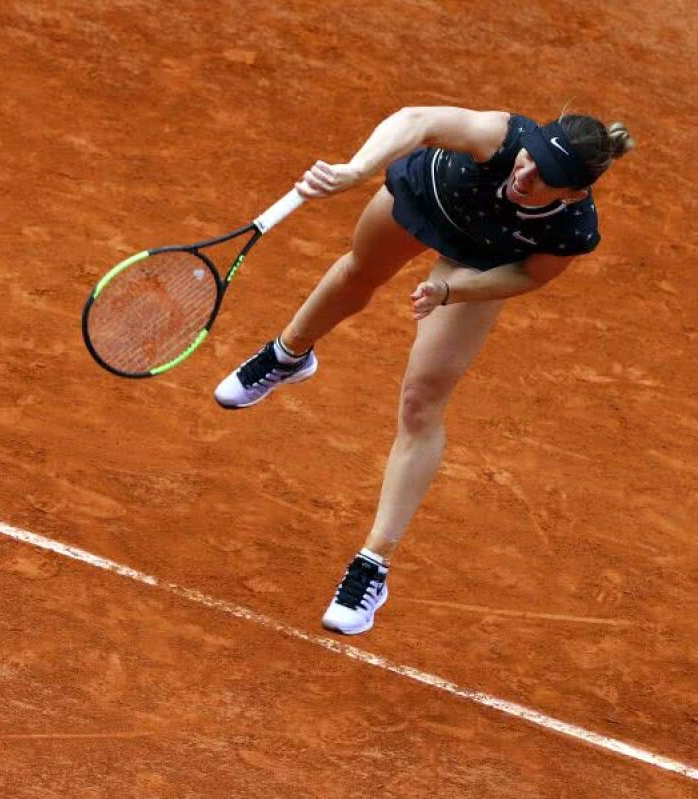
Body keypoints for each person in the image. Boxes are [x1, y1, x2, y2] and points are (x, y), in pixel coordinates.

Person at [212, 106, 635, 635]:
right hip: (431, 196)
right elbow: (417, 120)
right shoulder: (500, 138)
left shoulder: (572, 225)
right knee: (358, 272)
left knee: (421, 402)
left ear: (572, 192)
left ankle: (372, 564)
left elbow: (529, 274)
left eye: (545, 178)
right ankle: (288, 355)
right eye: (529, 160)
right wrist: (356, 170)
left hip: (482, 260)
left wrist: (451, 290)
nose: (524, 176)